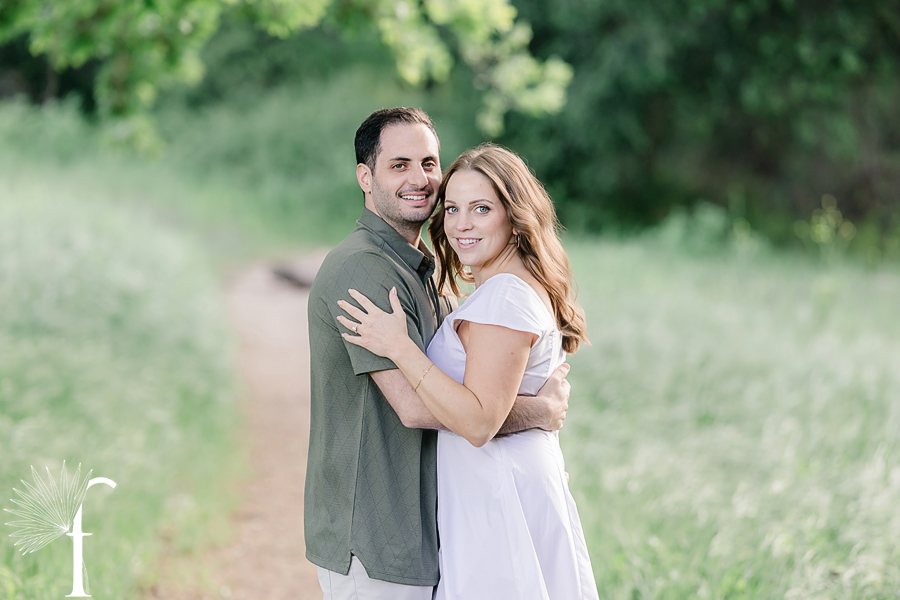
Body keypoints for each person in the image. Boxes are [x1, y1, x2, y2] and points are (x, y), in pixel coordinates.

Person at [305, 108, 572, 600]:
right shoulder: (364, 269)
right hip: (377, 537)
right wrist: (539, 411)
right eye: (399, 164)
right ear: (365, 177)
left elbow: (471, 392)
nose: (419, 179)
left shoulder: (421, 271)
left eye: (428, 163)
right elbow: (416, 406)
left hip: (428, 531)